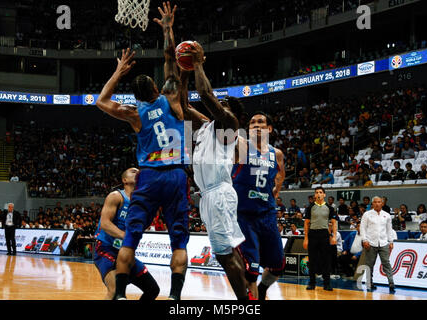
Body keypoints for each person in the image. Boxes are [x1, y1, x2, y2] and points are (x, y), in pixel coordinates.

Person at [96, 3, 190, 300]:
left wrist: (118, 70)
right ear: (155, 85)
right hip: (175, 173)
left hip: (149, 176)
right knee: (179, 246)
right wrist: (167, 28)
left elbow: (101, 101)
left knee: (130, 242)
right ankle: (175, 298)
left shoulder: (135, 113)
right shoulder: (171, 97)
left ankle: (121, 295)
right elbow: (169, 57)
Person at [180, 42, 250, 300]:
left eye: (223, 104)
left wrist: (197, 62)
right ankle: (248, 297)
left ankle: (245, 302)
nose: (218, 105)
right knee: (226, 254)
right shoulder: (207, 126)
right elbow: (183, 106)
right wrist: (184, 71)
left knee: (224, 255)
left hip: (219, 194)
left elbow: (205, 95)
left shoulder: (230, 124)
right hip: (209, 195)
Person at [232, 111, 286, 300]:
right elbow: (223, 126)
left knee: (279, 265)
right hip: (244, 216)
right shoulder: (241, 145)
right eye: (252, 122)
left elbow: (281, 174)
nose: (255, 124)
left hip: (268, 215)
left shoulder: (276, 154)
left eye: (261, 122)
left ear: (269, 129)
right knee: (251, 269)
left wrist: (276, 190)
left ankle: (262, 290)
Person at [93, 168, 159, 300]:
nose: (138, 172)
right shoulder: (116, 196)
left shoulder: (142, 203)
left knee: (153, 290)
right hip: (106, 248)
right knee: (115, 290)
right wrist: (126, 236)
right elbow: (105, 224)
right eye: (133, 172)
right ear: (125, 180)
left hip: (125, 253)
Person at [303, 187, 337, 291]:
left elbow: (334, 222)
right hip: (313, 234)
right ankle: (312, 283)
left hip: (324, 234)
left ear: (324, 195)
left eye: (320, 192)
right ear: (314, 195)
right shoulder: (310, 207)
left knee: (326, 260)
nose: (318, 194)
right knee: (312, 260)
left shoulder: (329, 208)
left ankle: (327, 284)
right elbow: (306, 223)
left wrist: (334, 236)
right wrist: (306, 238)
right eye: (317, 192)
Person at [360, 196, 395, 293]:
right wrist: (364, 240)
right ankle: (369, 283)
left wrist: (391, 241)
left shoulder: (387, 215)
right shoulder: (367, 214)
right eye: (375, 202)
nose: (377, 204)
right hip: (370, 243)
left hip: (384, 243)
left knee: (386, 263)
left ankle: (391, 283)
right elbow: (362, 228)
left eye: (379, 202)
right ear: (372, 204)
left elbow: (389, 229)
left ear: (382, 203)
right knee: (369, 264)